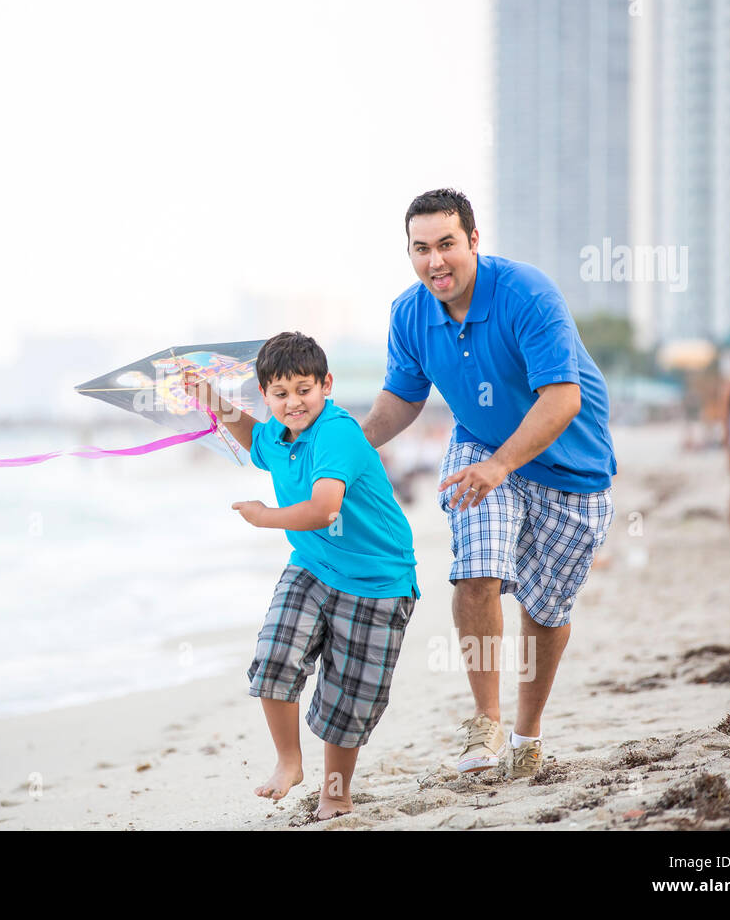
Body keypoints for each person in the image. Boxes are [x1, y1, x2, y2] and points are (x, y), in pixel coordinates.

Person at [360, 188, 616, 779]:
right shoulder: (409, 314)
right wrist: (338, 449)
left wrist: (505, 463)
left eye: (447, 244)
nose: (434, 262)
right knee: (476, 570)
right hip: (478, 449)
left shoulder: (526, 293)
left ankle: (527, 735)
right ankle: (485, 722)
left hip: (572, 468)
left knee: (547, 612)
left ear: (474, 241)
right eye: (420, 249)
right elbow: (401, 401)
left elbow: (562, 397)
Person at [181, 332, 420, 820]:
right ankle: (289, 760)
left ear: (326, 384)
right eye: (280, 393)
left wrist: (264, 515)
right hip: (311, 566)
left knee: (348, 700)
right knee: (273, 657)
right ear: (265, 395)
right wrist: (209, 398)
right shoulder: (276, 430)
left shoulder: (336, 433)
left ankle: (336, 792)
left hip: (378, 579)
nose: (293, 403)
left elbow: (324, 508)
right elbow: (255, 439)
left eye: (303, 389)